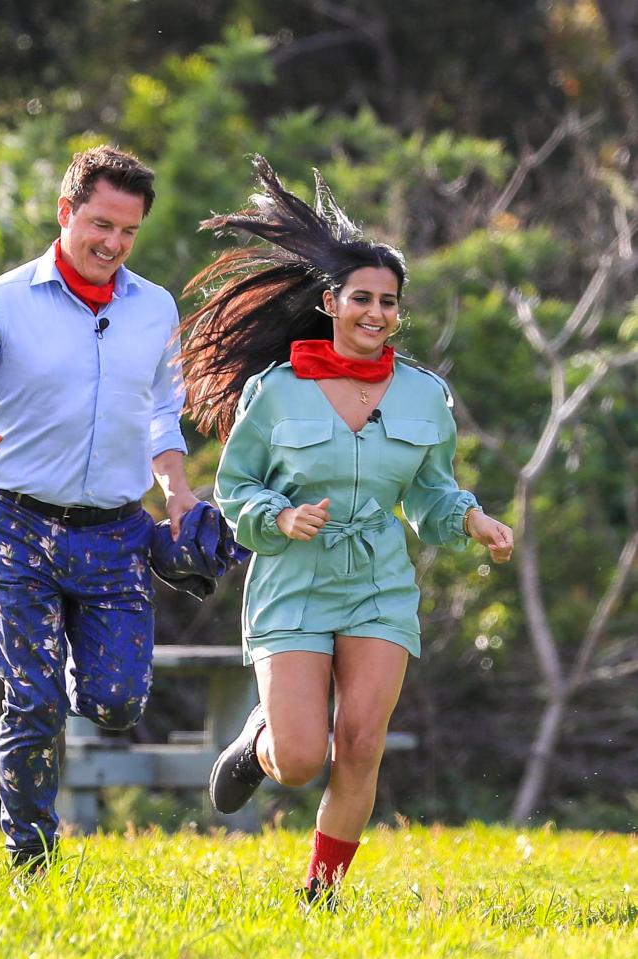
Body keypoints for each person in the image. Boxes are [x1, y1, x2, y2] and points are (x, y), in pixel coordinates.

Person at [181, 156, 513, 904]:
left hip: (378, 585)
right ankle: (258, 740)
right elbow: (235, 489)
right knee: (300, 760)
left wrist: (472, 518)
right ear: (331, 301)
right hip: (292, 579)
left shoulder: (426, 397)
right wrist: (278, 515)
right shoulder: (276, 392)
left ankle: (320, 897)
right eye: (361, 297)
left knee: (360, 745)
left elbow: (430, 494)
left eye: (389, 302)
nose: (376, 313)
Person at [0, 145, 198, 866]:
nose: (113, 243)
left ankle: (67, 663)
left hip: (117, 533)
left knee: (119, 701)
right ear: (66, 212)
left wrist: (176, 487)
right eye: (99, 224)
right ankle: (30, 858)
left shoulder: (154, 307)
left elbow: (162, 409)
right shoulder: (3, 302)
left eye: (128, 231)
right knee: (32, 700)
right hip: (15, 527)